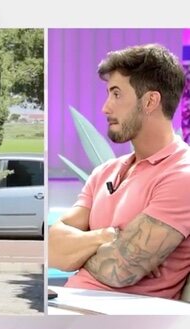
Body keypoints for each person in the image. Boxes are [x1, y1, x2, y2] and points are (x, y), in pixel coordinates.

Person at [49, 43, 190, 299]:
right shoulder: (105, 172)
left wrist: (76, 252)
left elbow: (120, 270)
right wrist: (107, 236)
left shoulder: (182, 175)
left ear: (150, 101)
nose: (105, 107)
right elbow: (50, 248)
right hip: (69, 305)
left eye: (116, 94)